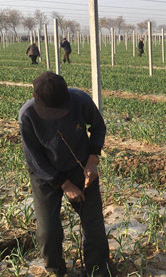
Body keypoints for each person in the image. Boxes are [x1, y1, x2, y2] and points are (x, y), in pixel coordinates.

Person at [18, 71, 113, 276]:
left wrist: (92, 160)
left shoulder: (80, 100)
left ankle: (98, 271)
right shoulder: (27, 115)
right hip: (45, 175)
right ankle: (56, 271)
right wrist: (64, 183)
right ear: (35, 97)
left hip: (80, 166)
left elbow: (98, 127)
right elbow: (34, 159)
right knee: (47, 232)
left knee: (94, 225)